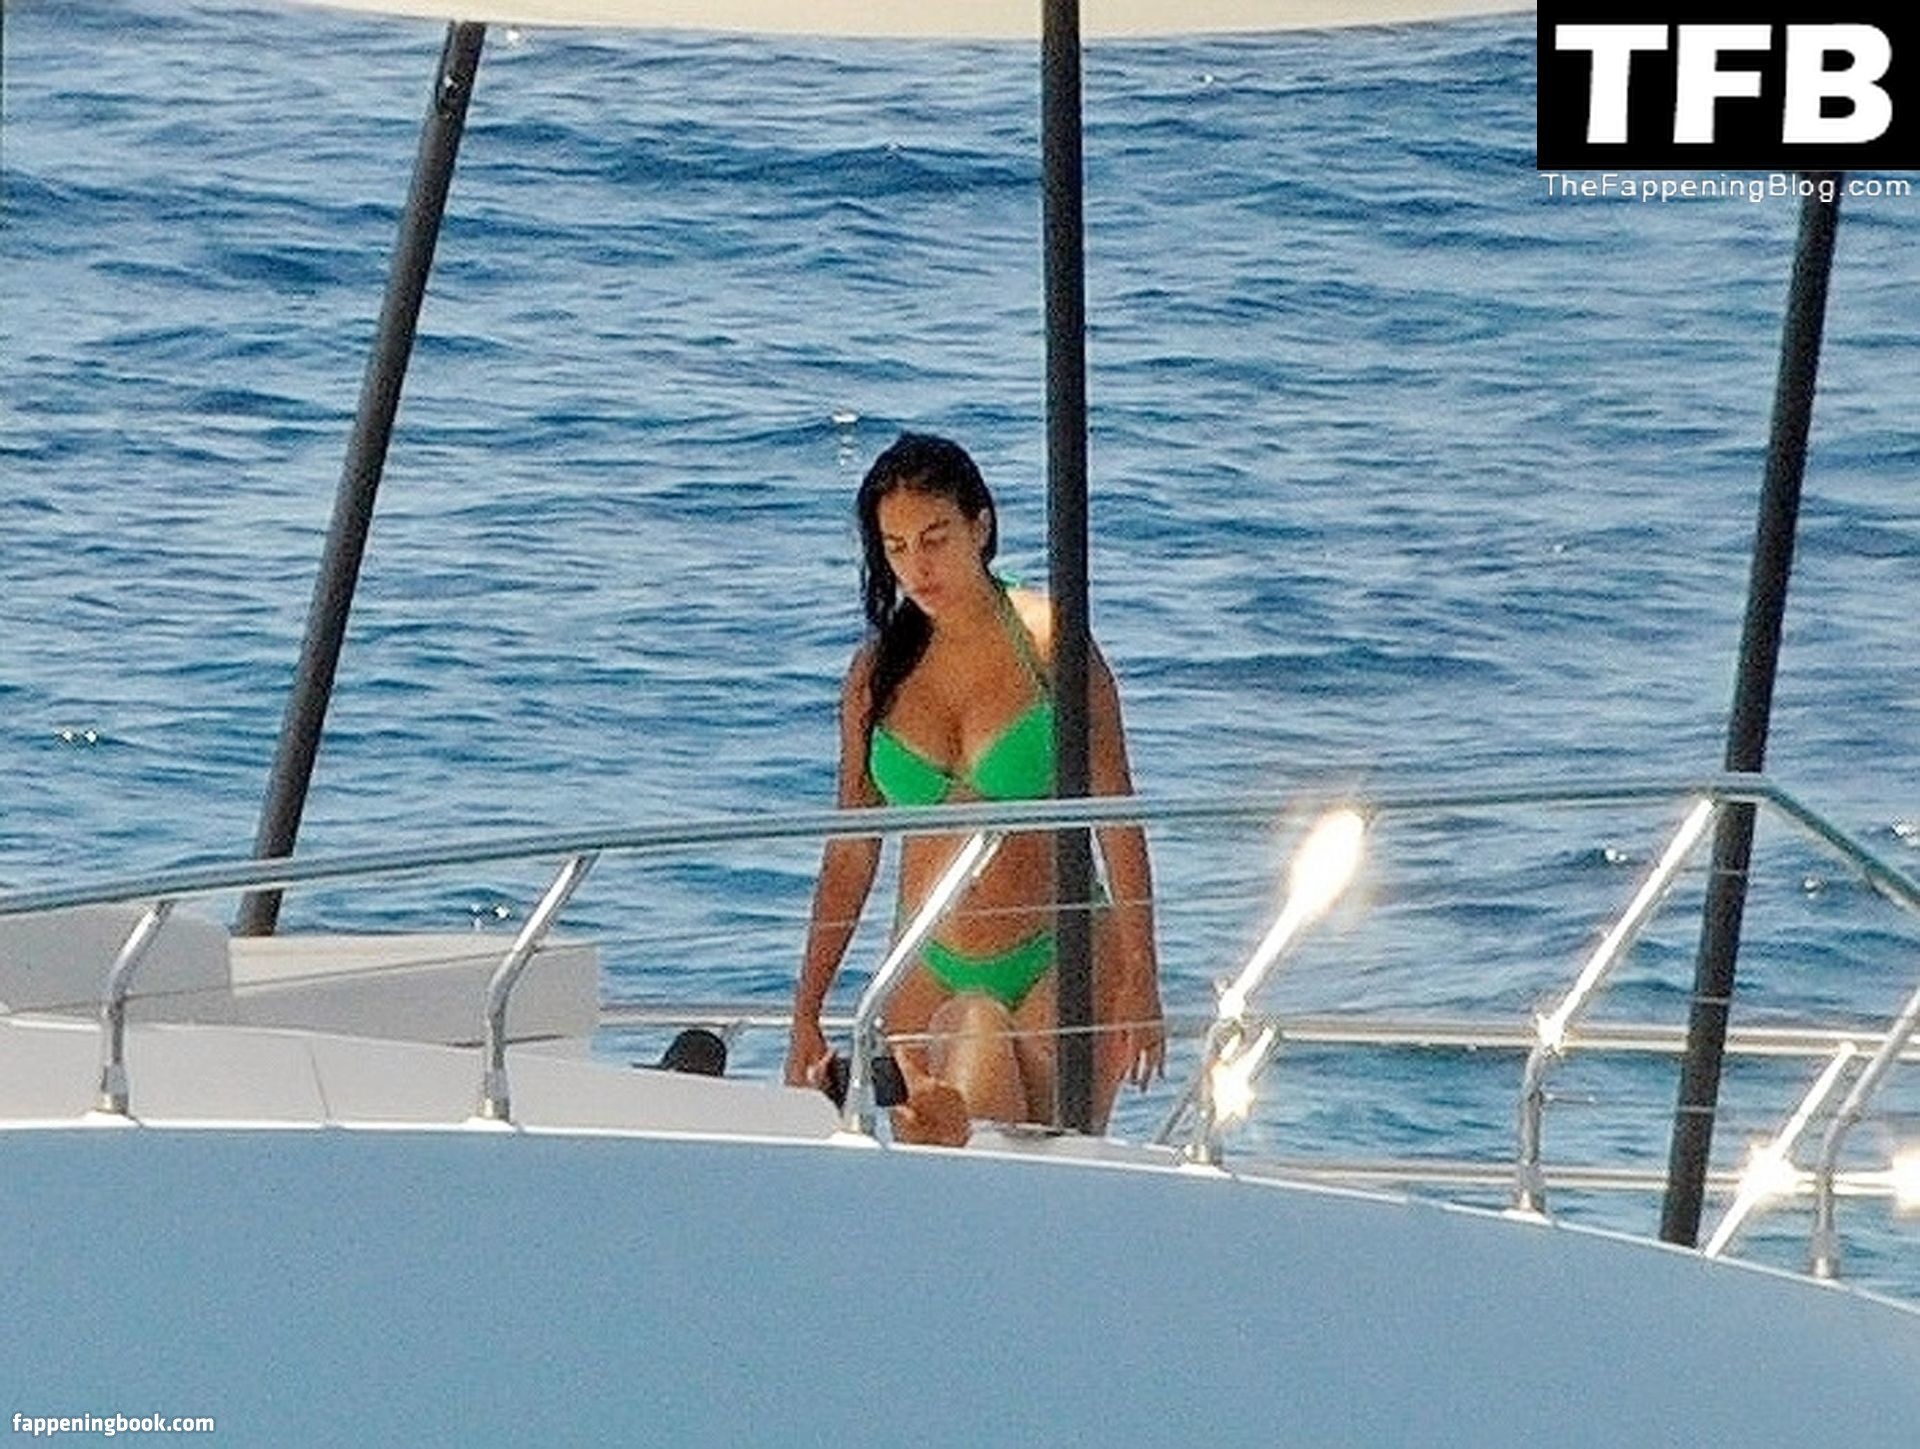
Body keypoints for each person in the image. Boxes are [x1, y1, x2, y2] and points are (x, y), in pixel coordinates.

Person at [784, 432, 1164, 1141]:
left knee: (1010, 1130)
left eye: (935, 539)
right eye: (896, 548)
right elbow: (852, 851)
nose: (917, 566)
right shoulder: (877, 676)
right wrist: (807, 1007)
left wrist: (1144, 972)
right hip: (926, 958)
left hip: (1060, 950)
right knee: (963, 1113)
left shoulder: (1051, 642)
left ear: (980, 526)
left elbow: (1118, 815)